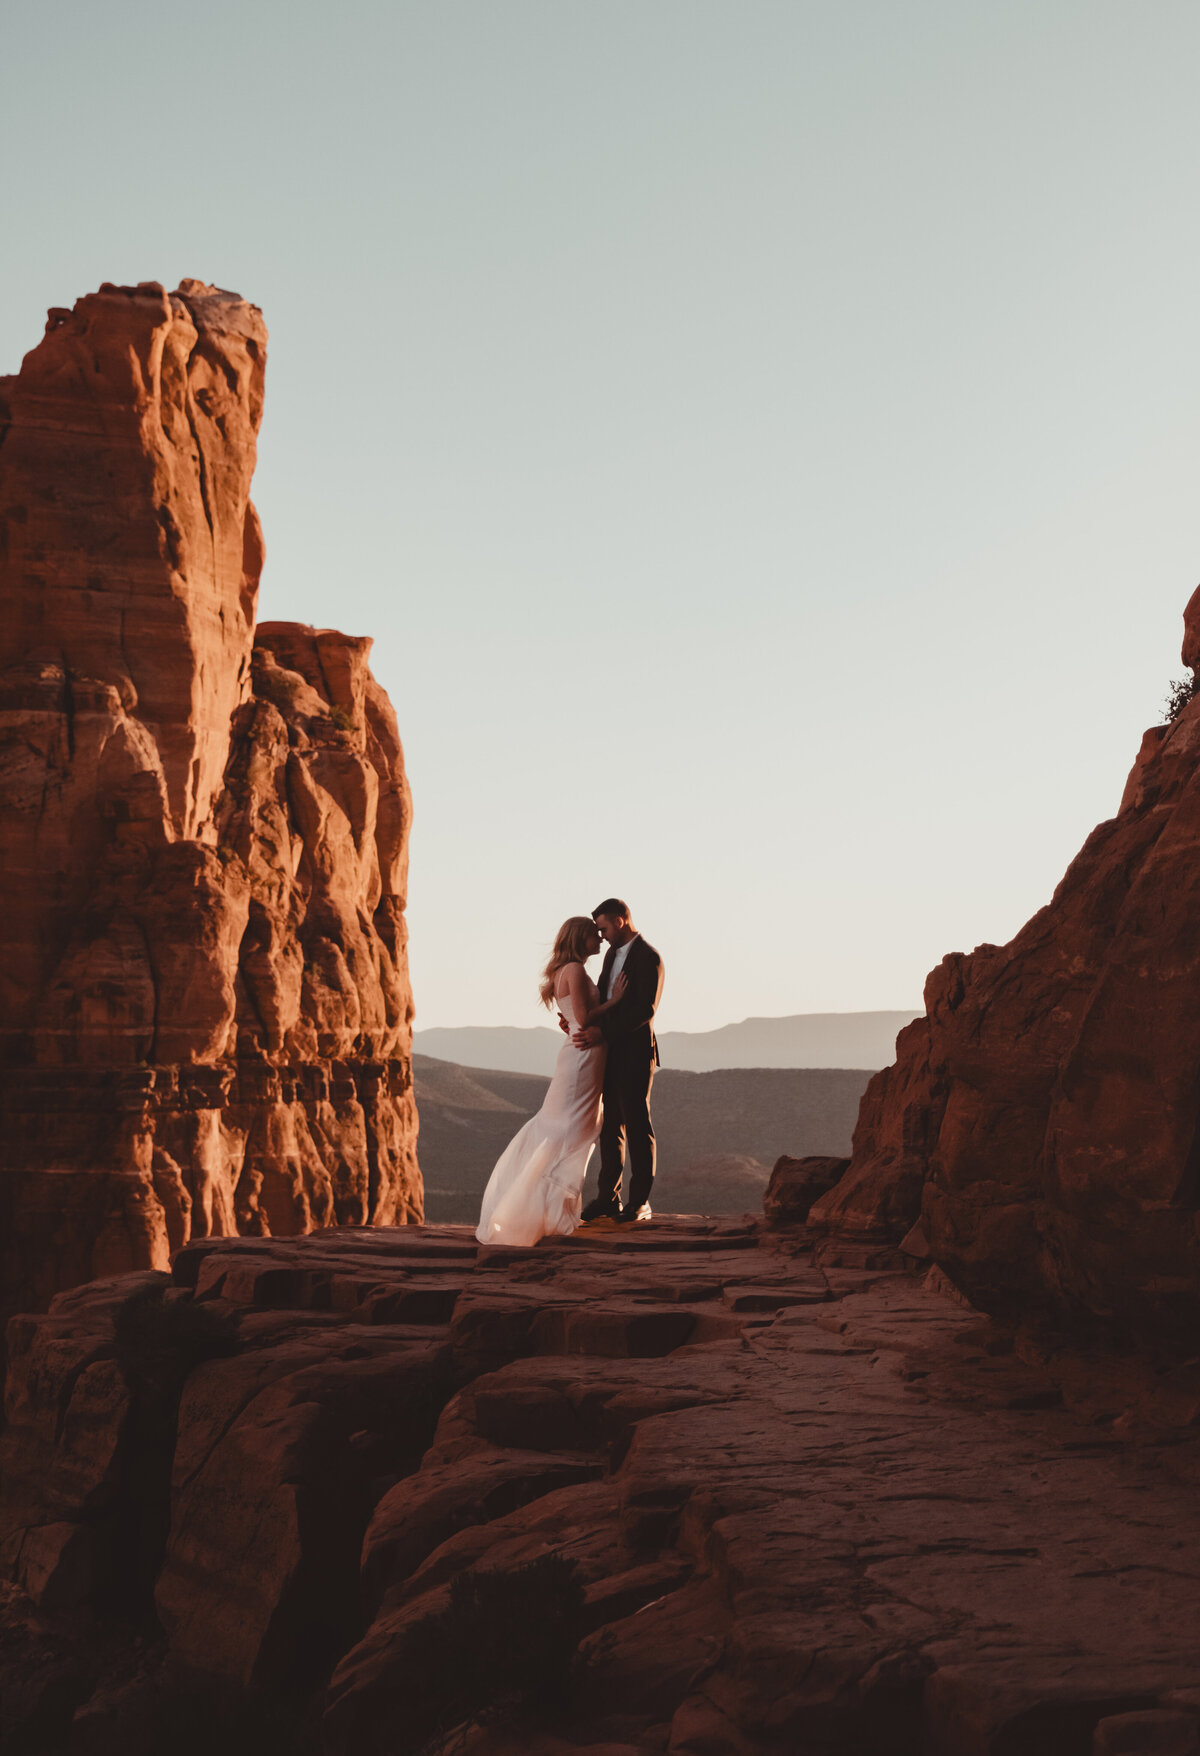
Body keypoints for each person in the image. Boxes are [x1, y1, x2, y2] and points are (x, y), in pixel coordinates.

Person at [475, 916, 627, 1247]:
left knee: (573, 1128)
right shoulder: (573, 969)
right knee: (573, 1129)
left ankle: (552, 1209)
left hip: (581, 1052)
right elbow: (584, 1019)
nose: (600, 940)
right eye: (594, 936)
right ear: (579, 939)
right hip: (582, 1055)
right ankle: (551, 1210)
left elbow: (574, 1016)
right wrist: (614, 1000)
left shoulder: (568, 970)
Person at [574, 899, 665, 1224]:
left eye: (604, 928)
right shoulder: (612, 955)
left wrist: (603, 1033)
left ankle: (639, 1201)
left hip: (636, 1054)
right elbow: (604, 997)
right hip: (609, 1054)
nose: (602, 935)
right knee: (610, 1126)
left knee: (638, 1124)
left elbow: (645, 1010)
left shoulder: (648, 957)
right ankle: (608, 1199)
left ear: (621, 921)